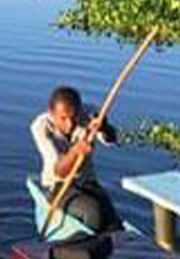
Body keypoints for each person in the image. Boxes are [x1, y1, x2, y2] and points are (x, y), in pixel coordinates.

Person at [31, 85, 124, 233]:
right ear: (51, 113)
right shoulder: (40, 127)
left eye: (74, 118)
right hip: (57, 185)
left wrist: (104, 127)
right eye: (63, 119)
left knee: (113, 222)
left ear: (79, 111)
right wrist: (75, 151)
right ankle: (88, 247)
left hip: (87, 181)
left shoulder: (89, 113)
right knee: (92, 212)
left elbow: (111, 140)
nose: (69, 124)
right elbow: (59, 172)